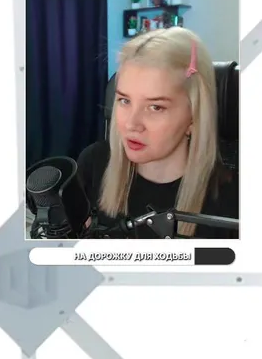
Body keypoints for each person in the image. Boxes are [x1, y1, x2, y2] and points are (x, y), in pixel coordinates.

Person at [76, 27, 238, 238]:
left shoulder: (235, 201)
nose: (132, 124)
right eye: (124, 100)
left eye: (155, 107)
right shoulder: (93, 165)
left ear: (194, 116)